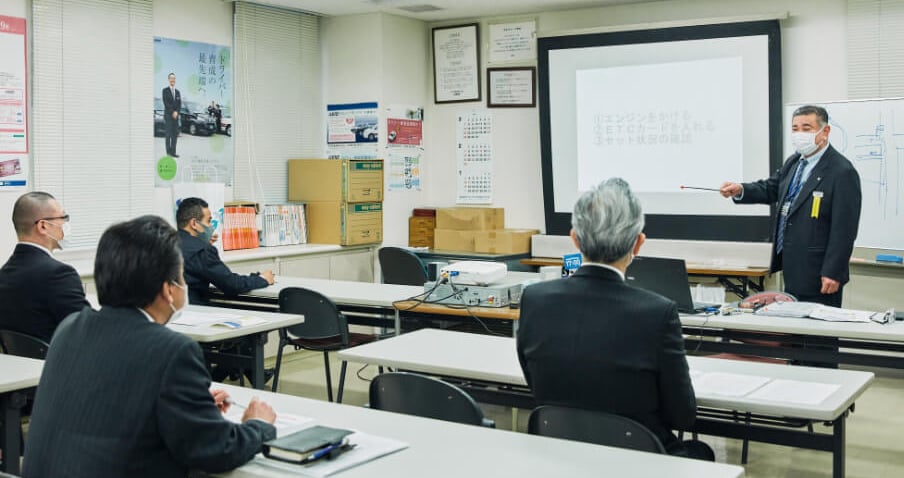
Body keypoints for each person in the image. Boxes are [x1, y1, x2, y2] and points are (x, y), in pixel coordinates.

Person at [22, 215, 277, 478]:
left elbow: (109, 404)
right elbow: (217, 450)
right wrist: (257, 425)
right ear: (169, 290)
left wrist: (191, 407)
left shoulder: (70, 328)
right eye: (181, 277)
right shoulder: (172, 351)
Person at [516, 178, 713, 461]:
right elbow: (682, 416)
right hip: (641, 460)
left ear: (574, 238)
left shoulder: (534, 299)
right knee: (700, 452)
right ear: (638, 243)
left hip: (560, 454)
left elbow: (536, 385)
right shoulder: (658, 312)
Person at [720, 105, 861, 307]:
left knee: (815, 334)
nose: (799, 134)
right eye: (795, 129)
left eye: (806, 128)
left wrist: (833, 271)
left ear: (825, 131)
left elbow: (844, 230)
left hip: (820, 272)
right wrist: (741, 189)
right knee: (794, 330)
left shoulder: (841, 171)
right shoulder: (794, 162)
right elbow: (772, 188)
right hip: (792, 266)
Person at [0, 192, 89, 342]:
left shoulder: (4, 274)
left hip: (19, 364)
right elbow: (88, 329)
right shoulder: (59, 274)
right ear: (43, 226)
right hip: (61, 363)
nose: (66, 224)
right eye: (63, 218)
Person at [176, 197, 274, 305]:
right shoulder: (202, 251)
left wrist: (202, 244)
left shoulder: (165, 242)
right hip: (195, 311)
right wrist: (263, 279)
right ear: (194, 223)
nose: (211, 226)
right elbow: (231, 285)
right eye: (208, 221)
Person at [162, 72, 181, 158]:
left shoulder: (177, 92)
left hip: (176, 117)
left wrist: (177, 112)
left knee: (174, 135)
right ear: (169, 79)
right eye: (171, 78)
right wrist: (172, 112)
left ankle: (173, 152)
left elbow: (179, 104)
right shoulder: (165, 90)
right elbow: (166, 103)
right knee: (168, 134)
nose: (173, 80)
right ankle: (168, 152)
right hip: (168, 116)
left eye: (174, 78)